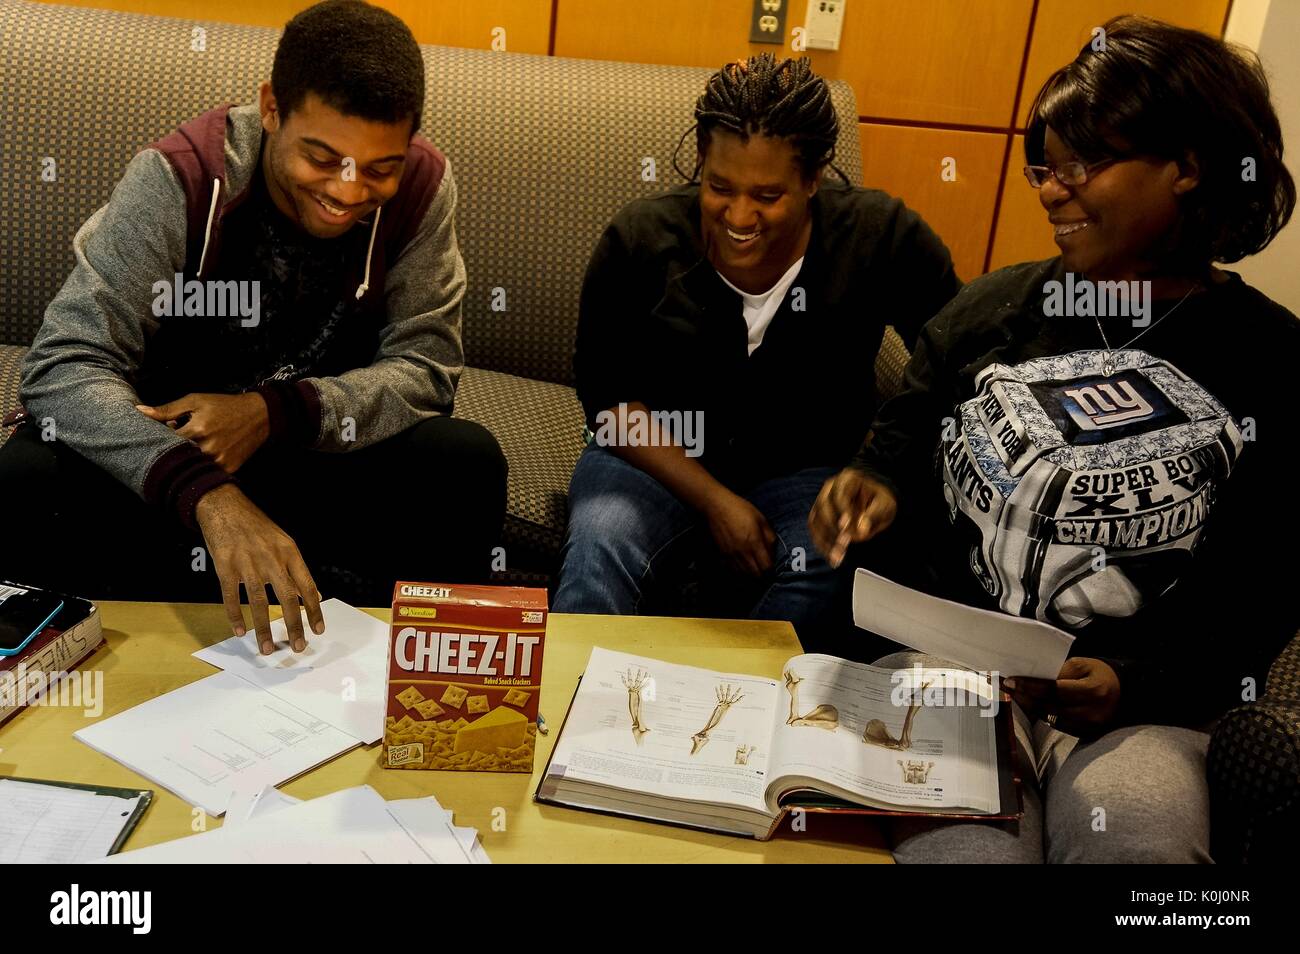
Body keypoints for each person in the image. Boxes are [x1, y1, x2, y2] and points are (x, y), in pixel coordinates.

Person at [810, 15, 1297, 862]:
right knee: (968, 855)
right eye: (1044, 166)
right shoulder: (986, 312)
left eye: (1085, 165)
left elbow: (1263, 590)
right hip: (949, 675)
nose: (1049, 190)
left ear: (1188, 168)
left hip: (1137, 707)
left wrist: (1135, 684)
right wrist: (870, 490)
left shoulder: (1273, 362)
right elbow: (895, 448)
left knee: (1138, 843)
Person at [0, 0, 506, 653]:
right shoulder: (182, 177)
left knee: (461, 461)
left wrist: (273, 413)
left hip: (312, 449)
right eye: (321, 158)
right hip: (168, 461)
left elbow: (427, 369)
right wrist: (206, 493)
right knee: (25, 475)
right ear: (271, 108)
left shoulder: (422, 187)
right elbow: (63, 364)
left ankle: (423, 693)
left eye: (380, 167)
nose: (349, 192)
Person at [554, 54, 959, 653]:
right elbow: (608, 401)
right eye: (719, 188)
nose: (739, 217)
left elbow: (956, 356)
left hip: (803, 470)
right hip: (654, 457)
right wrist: (716, 501)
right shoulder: (642, 239)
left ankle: (718, 715)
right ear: (699, 164)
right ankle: (570, 721)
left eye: (768, 196)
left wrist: (881, 466)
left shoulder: (881, 238)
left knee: (830, 573)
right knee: (598, 546)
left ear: (815, 178)